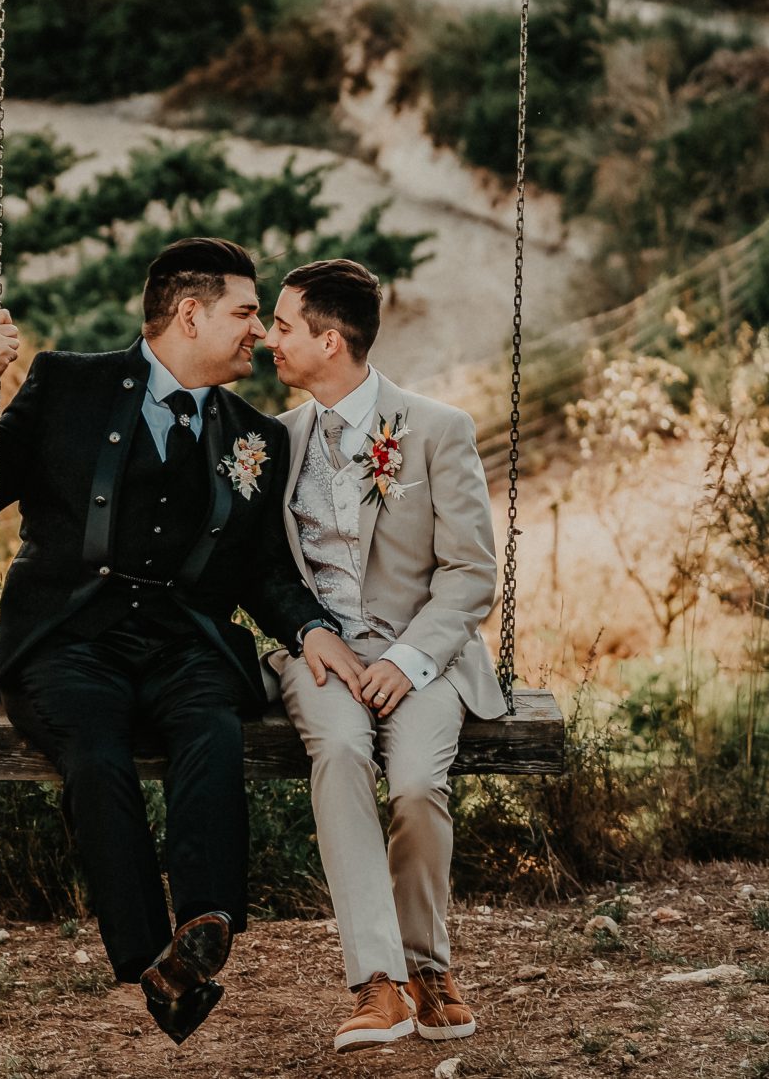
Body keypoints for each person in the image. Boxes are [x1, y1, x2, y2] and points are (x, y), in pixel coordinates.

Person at [0, 236, 364, 1043]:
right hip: (68, 640)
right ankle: (151, 960)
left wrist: (310, 626)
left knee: (210, 727)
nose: (261, 333)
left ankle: (204, 926)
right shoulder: (69, 381)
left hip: (185, 644)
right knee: (95, 753)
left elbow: (265, 571)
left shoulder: (256, 437)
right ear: (190, 312)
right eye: (247, 313)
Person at [261, 257, 505, 1052]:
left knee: (415, 785)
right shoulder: (275, 441)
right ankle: (377, 981)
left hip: (423, 651)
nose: (271, 338)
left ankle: (427, 965)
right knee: (336, 748)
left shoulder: (437, 429)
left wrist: (406, 658)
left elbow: (472, 571)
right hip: (321, 654)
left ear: (330, 341)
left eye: (284, 324)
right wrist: (308, 637)